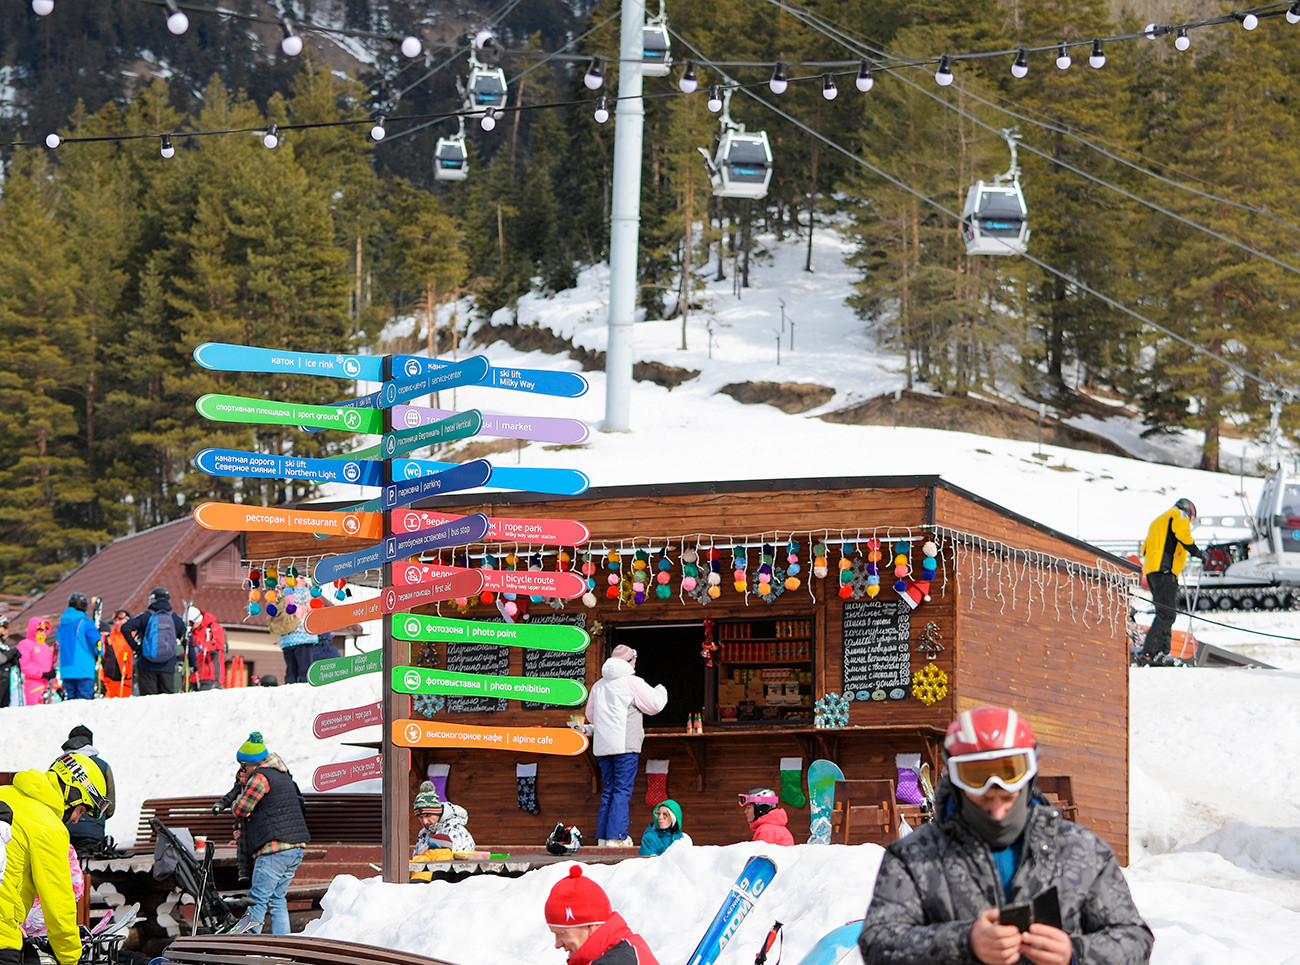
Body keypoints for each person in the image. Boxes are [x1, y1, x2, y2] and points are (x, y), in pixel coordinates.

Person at [859, 705, 1154, 965]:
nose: (998, 812)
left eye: (1008, 791)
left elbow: (1134, 940)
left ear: (1030, 775)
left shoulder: (1082, 851)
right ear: (956, 781)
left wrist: (1074, 953)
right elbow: (877, 942)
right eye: (982, 794)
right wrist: (963, 942)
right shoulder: (914, 857)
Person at [0, 751, 109, 965]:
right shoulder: (49, 827)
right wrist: (70, 959)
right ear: (72, 793)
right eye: (81, 810)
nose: (77, 819)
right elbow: (59, 906)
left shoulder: (4, 794)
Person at [584, 644, 667, 847]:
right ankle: (617, 837)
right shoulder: (632, 682)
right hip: (625, 745)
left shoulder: (598, 685)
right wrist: (661, 690)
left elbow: (590, 715)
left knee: (609, 790)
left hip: (603, 747)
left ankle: (604, 837)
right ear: (631, 661)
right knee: (622, 790)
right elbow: (653, 706)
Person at [229, 732, 310, 934]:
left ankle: (246, 944)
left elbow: (241, 808)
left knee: (256, 898)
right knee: (277, 899)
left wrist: (237, 795)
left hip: (275, 848)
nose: (242, 770)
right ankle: (282, 946)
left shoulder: (260, 778)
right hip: (295, 847)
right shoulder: (282, 774)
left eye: (244, 766)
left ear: (253, 763)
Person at [544, 865, 660, 965]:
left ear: (590, 926)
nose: (557, 944)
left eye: (562, 933)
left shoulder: (618, 960)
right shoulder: (620, 949)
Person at [1137, 498, 1202, 667]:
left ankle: (1162, 653)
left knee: (1165, 613)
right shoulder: (1178, 515)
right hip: (1165, 570)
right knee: (1167, 614)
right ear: (1189, 511)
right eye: (1191, 520)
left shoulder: (1158, 521)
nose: (1190, 523)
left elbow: (1144, 549)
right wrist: (1198, 553)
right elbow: (1183, 535)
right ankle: (1149, 653)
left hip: (1152, 571)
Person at [61, 724, 118, 857]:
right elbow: (110, 808)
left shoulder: (59, 765)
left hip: (63, 831)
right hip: (93, 834)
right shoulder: (103, 766)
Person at [121, 587, 190, 695]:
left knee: (149, 701)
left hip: (146, 665)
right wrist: (193, 661)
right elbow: (187, 639)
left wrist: (136, 647)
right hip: (168, 666)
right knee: (166, 701)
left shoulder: (145, 616)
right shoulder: (175, 618)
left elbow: (125, 628)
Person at [411, 780, 475, 855]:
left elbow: (462, 862)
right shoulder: (423, 833)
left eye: (428, 816)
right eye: (420, 817)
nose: (424, 821)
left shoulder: (457, 832)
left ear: (438, 813)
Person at [57, 592, 101, 701]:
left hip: (66, 669)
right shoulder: (86, 623)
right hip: (84, 669)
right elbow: (96, 643)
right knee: (83, 702)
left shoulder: (61, 625)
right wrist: (99, 653)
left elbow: (59, 640)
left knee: (71, 700)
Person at [185, 605, 226, 691]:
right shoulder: (191, 633)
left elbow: (219, 644)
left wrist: (201, 647)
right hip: (194, 676)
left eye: (190, 624)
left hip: (210, 675)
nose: (189, 626)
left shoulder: (213, 628)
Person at [17, 617, 56, 706]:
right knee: (34, 712)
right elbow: (24, 665)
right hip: (32, 685)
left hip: (46, 687)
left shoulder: (46, 647)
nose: (43, 633)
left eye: (45, 630)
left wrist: (56, 685)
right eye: (40, 629)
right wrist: (41, 674)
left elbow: (51, 667)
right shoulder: (25, 644)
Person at [100, 609, 134, 699]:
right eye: (116, 621)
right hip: (110, 684)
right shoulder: (109, 638)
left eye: (120, 620)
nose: (117, 623)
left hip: (129, 682)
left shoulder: (134, 636)